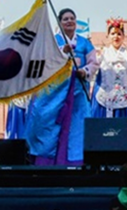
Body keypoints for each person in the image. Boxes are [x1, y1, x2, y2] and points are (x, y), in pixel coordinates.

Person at [26, 8, 99, 165]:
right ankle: (49, 161)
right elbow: (45, 62)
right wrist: (62, 53)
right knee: (51, 126)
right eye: (65, 19)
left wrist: (85, 71)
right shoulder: (52, 42)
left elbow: (94, 63)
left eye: (72, 18)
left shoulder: (85, 43)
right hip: (56, 93)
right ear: (59, 22)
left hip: (78, 93)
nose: (69, 21)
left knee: (77, 126)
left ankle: (75, 161)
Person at [90, 18, 127, 119]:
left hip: (126, 100)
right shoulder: (102, 54)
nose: (116, 36)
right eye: (113, 33)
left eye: (119, 34)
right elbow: (92, 67)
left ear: (123, 36)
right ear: (108, 36)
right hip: (104, 99)